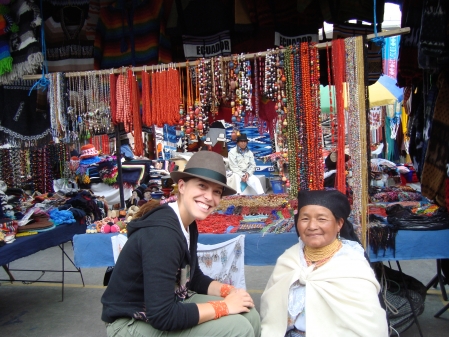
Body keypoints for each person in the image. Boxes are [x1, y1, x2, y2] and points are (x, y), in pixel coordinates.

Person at [101, 151, 261, 337]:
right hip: (129, 321)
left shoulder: (188, 224)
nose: (209, 197)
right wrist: (224, 306)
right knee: (238, 328)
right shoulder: (163, 234)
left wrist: (230, 291)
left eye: (216, 191)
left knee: (248, 314)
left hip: (170, 302)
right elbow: (162, 315)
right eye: (202, 186)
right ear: (182, 186)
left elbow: (192, 278)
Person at [260, 190, 388, 337]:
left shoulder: (353, 266)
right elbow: (270, 313)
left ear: (339, 224)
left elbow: (370, 326)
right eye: (305, 219)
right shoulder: (288, 260)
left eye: (321, 219)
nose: (312, 226)